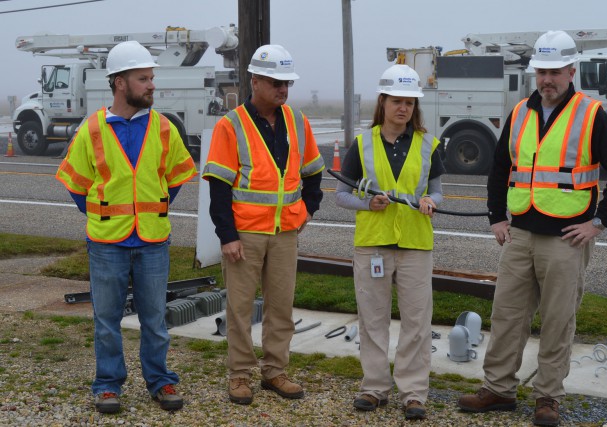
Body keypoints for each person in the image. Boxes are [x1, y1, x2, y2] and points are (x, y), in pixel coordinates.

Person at [457, 31, 607, 426]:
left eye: (555, 72)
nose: (547, 80)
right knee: (506, 315)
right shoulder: (521, 111)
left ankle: (548, 398)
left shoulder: (590, 115)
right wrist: (496, 217)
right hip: (520, 232)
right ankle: (499, 389)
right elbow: (500, 169)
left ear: (572, 71)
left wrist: (598, 222)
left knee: (557, 321)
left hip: (566, 239)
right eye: (541, 72)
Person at [55, 40, 197, 413]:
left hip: (152, 240)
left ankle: (160, 381)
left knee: (154, 319)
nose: (151, 85)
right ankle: (107, 385)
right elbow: (75, 184)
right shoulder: (92, 130)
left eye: (151, 78)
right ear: (120, 83)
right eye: (143, 78)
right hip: (106, 244)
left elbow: (179, 176)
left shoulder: (165, 128)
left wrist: (154, 210)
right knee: (106, 321)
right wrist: (103, 215)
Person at [202, 44, 324, 405]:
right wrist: (227, 236)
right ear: (255, 81)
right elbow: (220, 187)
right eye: (275, 83)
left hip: (285, 232)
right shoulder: (231, 125)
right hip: (245, 235)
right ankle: (239, 375)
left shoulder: (298, 122)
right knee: (240, 309)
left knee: (281, 307)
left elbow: (314, 174)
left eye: (286, 83)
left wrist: (307, 211)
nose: (283, 90)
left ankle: (275, 372)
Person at [335, 64, 445, 421]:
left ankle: (414, 392)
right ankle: (374, 388)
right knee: (373, 320)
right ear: (382, 102)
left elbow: (438, 191)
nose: (404, 108)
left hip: (415, 244)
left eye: (410, 103)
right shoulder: (362, 144)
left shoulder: (429, 144)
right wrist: (368, 203)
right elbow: (340, 195)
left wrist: (432, 202)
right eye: (397, 101)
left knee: (417, 321)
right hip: (373, 244)